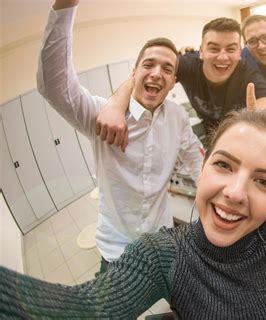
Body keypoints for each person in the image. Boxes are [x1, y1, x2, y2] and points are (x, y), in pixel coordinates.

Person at [0, 109, 266, 319]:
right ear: (204, 165)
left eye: (263, 181)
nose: (236, 193)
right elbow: (84, 310)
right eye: (224, 165)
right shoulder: (162, 255)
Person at [37, 0, 204, 272]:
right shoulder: (102, 115)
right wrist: (65, 7)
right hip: (116, 250)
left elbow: (197, 164)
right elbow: (53, 85)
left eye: (167, 69)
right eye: (148, 64)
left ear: (174, 82)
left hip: (162, 242)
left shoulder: (178, 118)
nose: (156, 73)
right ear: (134, 73)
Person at [97, 16, 266, 145]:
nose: (222, 57)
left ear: (240, 53)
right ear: (201, 51)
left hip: (241, 132)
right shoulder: (187, 64)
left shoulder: (250, 77)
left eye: (231, 49)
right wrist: (115, 105)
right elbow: (142, 77)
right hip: (210, 133)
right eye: (214, 48)